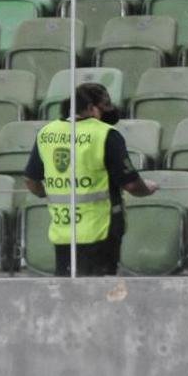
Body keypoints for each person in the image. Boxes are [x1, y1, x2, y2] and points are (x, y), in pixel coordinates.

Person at [23, 82, 159, 276]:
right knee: (99, 287)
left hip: (63, 230)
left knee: (67, 286)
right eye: (105, 106)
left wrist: (52, 192)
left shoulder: (47, 133)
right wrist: (147, 188)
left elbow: (31, 181)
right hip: (101, 229)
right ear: (90, 108)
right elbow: (131, 184)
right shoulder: (105, 134)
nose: (109, 110)